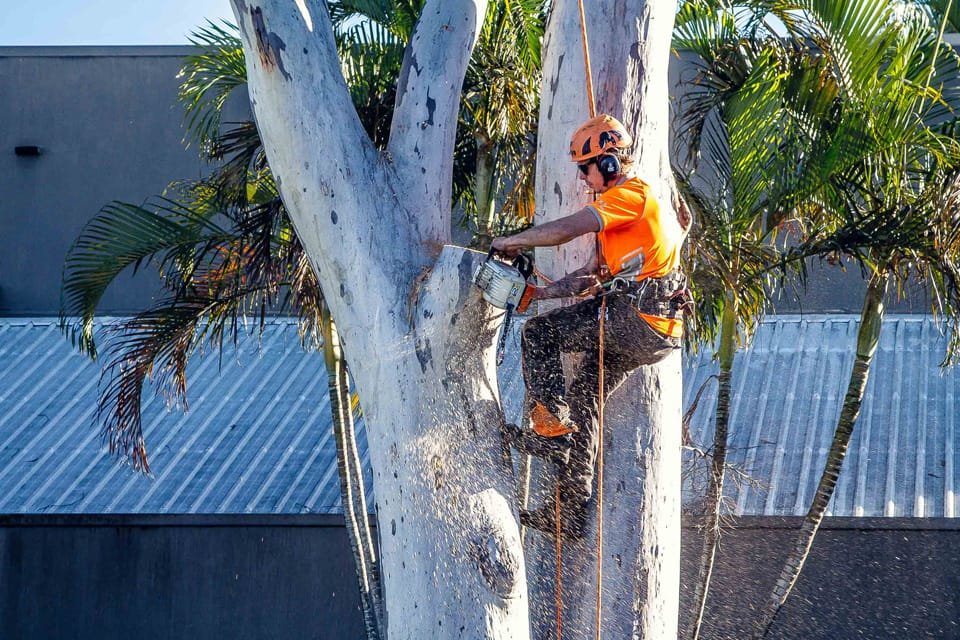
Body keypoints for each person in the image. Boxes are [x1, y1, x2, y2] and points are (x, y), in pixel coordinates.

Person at [491, 114, 689, 538]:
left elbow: (567, 229)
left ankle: (550, 425)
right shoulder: (622, 218)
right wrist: (541, 296)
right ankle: (569, 508)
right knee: (586, 394)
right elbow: (591, 277)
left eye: (587, 167)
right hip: (656, 332)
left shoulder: (630, 195)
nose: (583, 177)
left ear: (610, 163)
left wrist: (512, 242)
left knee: (539, 334)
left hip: (635, 316)